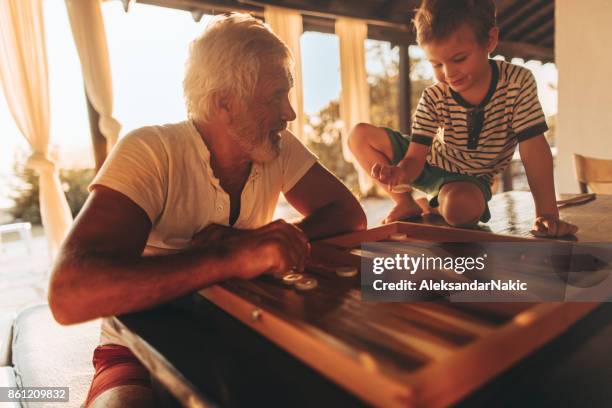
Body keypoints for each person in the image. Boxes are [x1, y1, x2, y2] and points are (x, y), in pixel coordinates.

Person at [48, 13, 366, 407]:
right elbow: (69, 294)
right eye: (275, 96)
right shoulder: (151, 151)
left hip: (239, 328)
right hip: (135, 349)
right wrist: (226, 257)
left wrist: (257, 242)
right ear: (224, 103)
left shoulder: (277, 147)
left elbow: (346, 212)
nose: (290, 113)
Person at [348, 0, 577, 237]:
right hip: (427, 161)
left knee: (461, 212)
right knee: (359, 136)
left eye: (458, 59)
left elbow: (534, 149)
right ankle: (404, 203)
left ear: (490, 40)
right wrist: (400, 174)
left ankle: (437, 203)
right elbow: (416, 156)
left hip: (469, 179)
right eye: (436, 64)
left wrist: (547, 213)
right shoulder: (434, 96)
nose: (448, 74)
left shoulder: (516, 83)